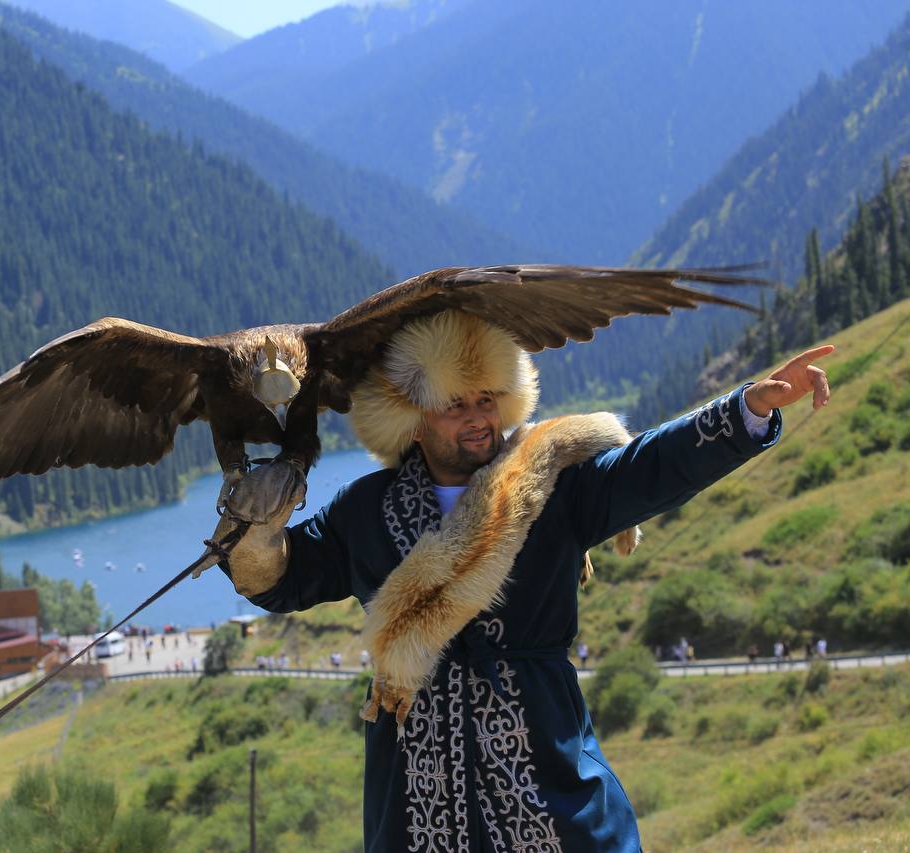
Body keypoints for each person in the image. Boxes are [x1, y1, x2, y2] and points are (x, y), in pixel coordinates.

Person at [218, 310, 833, 852]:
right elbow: (284, 581)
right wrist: (255, 532)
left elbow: (651, 467)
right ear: (414, 419)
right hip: (415, 805)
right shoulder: (365, 510)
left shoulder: (555, 486)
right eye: (455, 405)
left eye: (487, 400)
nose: (477, 419)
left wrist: (747, 410)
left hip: (549, 787)